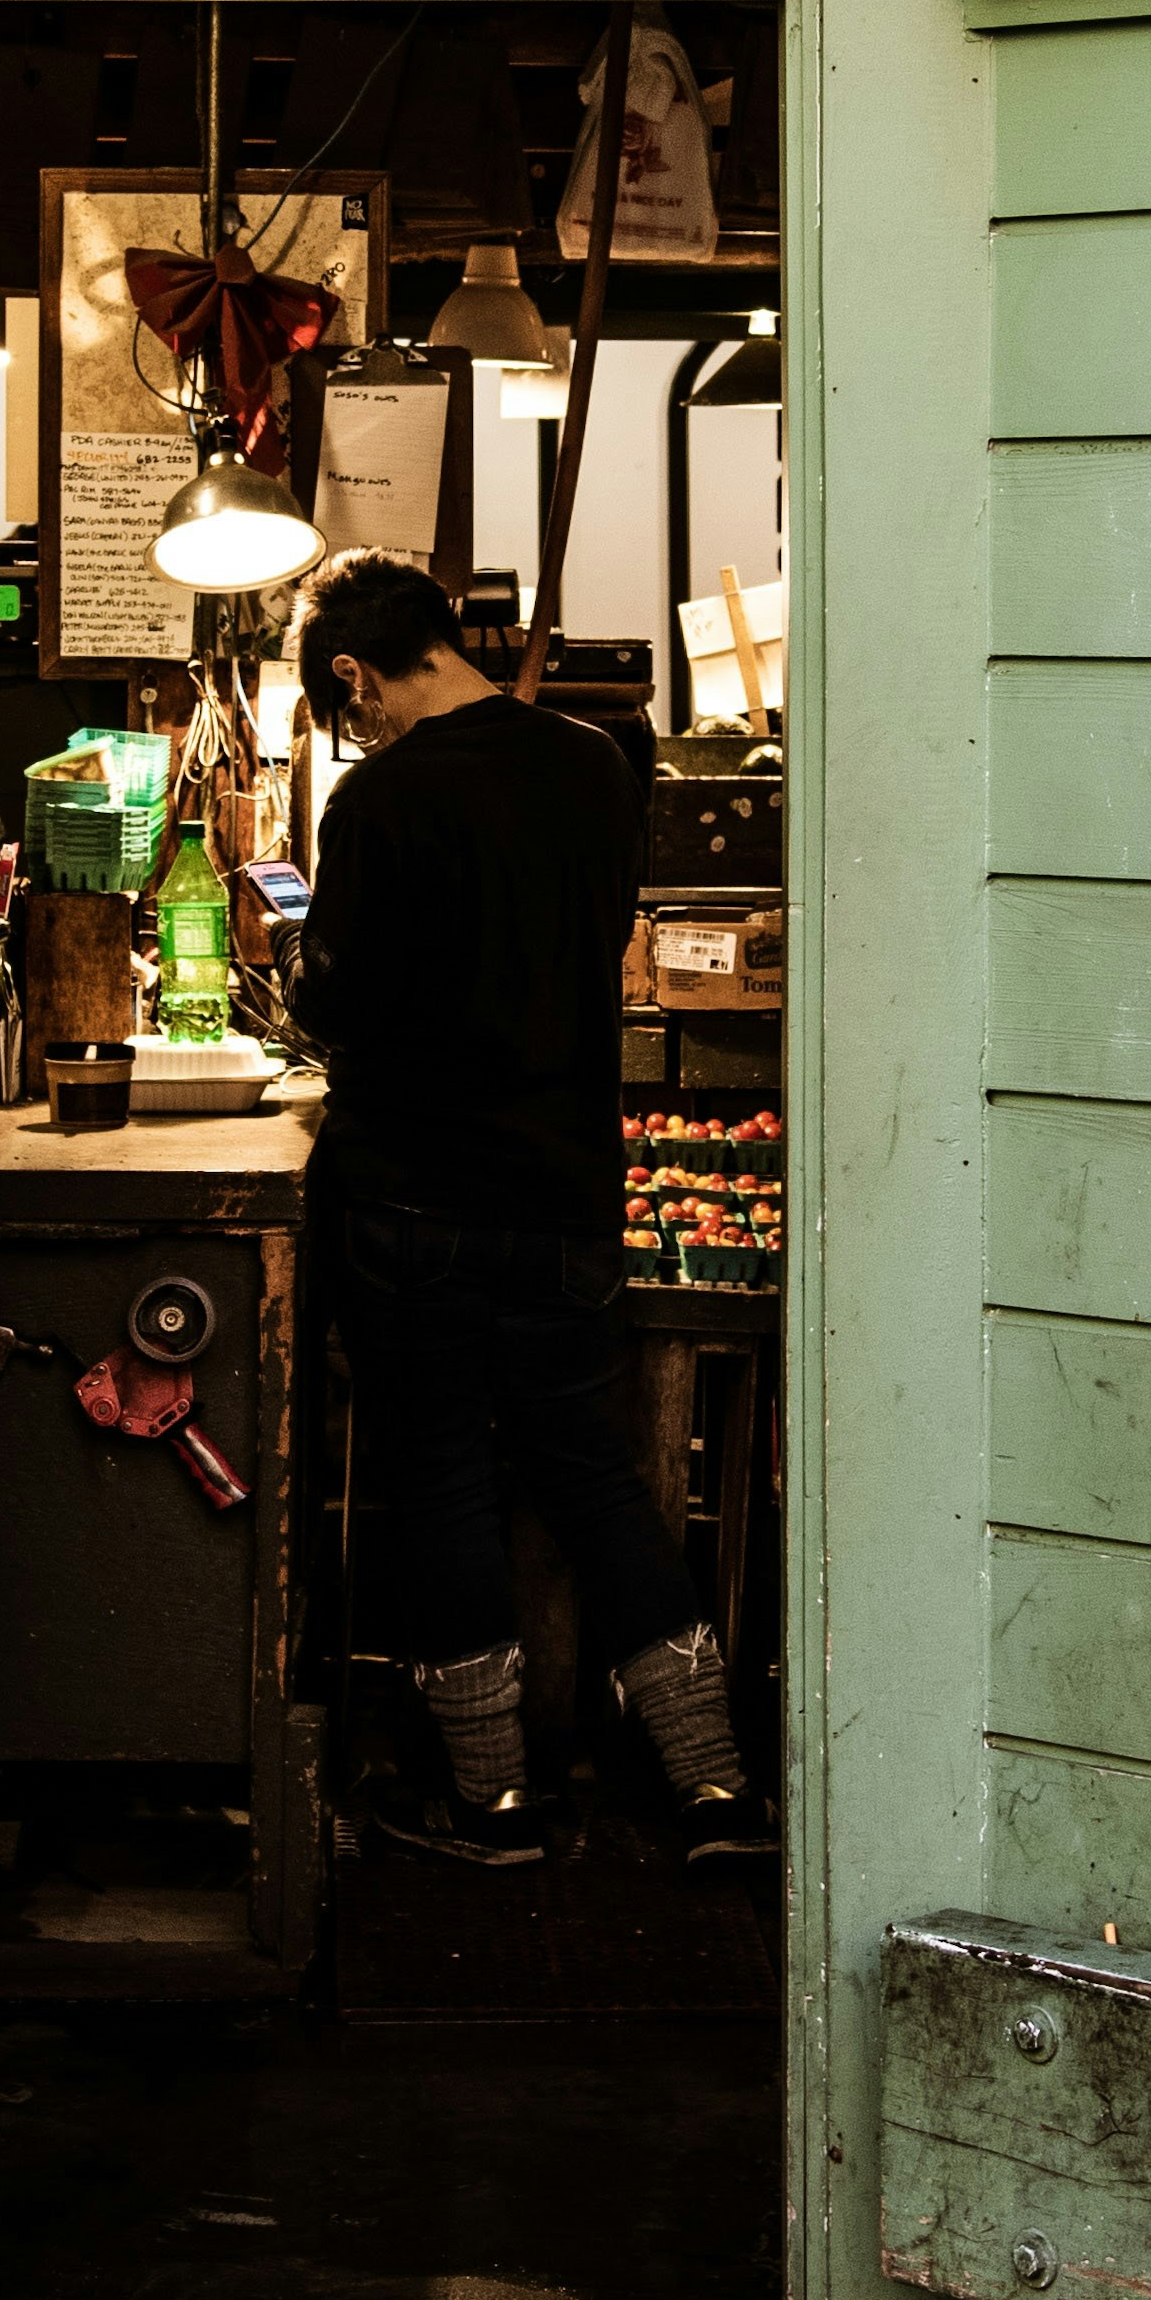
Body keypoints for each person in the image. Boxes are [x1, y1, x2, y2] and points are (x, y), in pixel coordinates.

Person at [285, 548, 772, 1869]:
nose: (355, 728)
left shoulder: (377, 804)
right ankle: (714, 1788)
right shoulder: (594, 767)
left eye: (347, 708)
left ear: (355, 673)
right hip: (562, 1192)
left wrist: (296, 959)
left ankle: (494, 1802)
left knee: (440, 1477)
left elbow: (337, 1000)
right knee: (596, 1479)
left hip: (412, 1198)